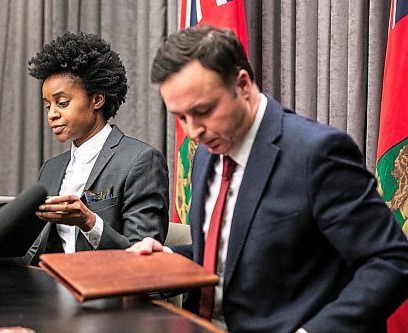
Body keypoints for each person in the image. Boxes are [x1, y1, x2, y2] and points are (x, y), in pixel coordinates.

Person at [127, 25, 408, 333]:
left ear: (243, 84)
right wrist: (167, 258)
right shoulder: (206, 154)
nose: (193, 131)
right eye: (181, 117)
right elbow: (229, 255)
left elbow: (391, 260)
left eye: (203, 110)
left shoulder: (316, 153)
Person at [24, 31, 169, 265]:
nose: (52, 114)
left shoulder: (141, 161)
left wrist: (89, 221)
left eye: (62, 103)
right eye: (48, 106)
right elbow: (34, 252)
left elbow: (145, 258)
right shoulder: (51, 168)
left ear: (97, 100)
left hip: (110, 295)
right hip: (51, 290)